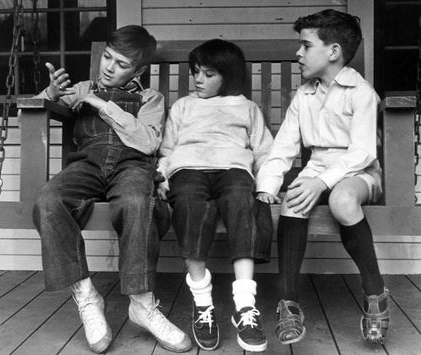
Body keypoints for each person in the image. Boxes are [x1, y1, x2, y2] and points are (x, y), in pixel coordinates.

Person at [32, 25, 191, 354]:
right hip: (86, 166)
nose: (108, 67)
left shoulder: (150, 98)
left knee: (137, 202)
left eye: (121, 64)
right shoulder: (83, 88)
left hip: (131, 167)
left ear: (139, 71)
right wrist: (50, 94)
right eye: (107, 57)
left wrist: (99, 104)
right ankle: (87, 298)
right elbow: (37, 106)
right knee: (49, 199)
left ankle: (142, 304)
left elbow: (147, 142)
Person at [259, 9, 389, 345]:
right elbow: (283, 149)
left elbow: (362, 152)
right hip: (316, 167)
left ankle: (375, 293)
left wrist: (322, 182)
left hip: (358, 171)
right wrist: (268, 188)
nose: (298, 53)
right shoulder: (303, 95)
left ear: (333, 52)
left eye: (305, 45)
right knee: (293, 199)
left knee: (343, 200)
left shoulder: (360, 93)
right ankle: (287, 303)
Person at [157, 39, 274, 352]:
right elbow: (168, 149)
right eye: (196, 72)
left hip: (234, 169)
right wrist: (162, 176)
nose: (198, 79)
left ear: (228, 75)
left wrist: (267, 187)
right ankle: (202, 303)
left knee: (241, 200)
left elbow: (264, 151)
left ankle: (245, 307)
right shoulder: (183, 106)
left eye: (208, 74)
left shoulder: (247, 107)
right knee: (190, 204)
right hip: (188, 169)